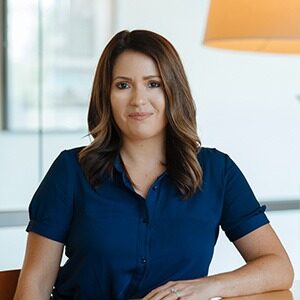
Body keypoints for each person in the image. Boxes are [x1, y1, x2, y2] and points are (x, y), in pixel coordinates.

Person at [14, 29, 294, 300]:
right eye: (123, 85)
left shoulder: (217, 171)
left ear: (173, 91)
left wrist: (207, 287)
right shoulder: (70, 171)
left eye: (153, 84)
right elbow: (34, 285)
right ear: (106, 96)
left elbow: (278, 267)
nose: (138, 100)